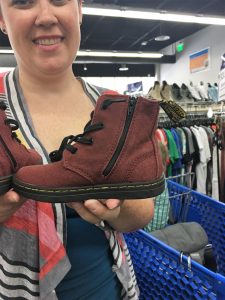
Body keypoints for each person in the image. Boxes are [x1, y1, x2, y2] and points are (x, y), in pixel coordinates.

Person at [0, 1, 154, 299]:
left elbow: (143, 210)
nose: (46, 16)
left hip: (110, 287)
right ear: (2, 19)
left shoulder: (117, 107)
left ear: (79, 10)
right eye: (23, 1)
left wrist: (118, 209)